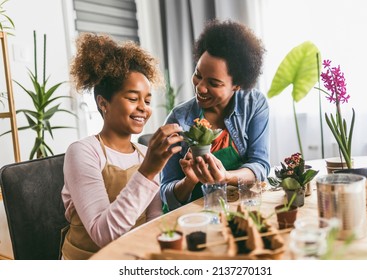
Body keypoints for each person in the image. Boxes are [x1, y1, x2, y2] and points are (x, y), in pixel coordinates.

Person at [61, 33, 183, 260]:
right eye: (132, 98)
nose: (143, 108)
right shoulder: (83, 152)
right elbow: (103, 234)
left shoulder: (145, 154)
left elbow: (153, 218)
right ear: (103, 103)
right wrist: (147, 171)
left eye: (147, 101)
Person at [160, 19, 270, 211]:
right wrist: (189, 181)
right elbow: (167, 193)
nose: (200, 87)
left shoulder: (254, 105)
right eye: (198, 74)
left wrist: (227, 177)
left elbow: (260, 165)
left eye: (214, 83)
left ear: (237, 85)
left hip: (243, 208)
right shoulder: (179, 118)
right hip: (196, 214)